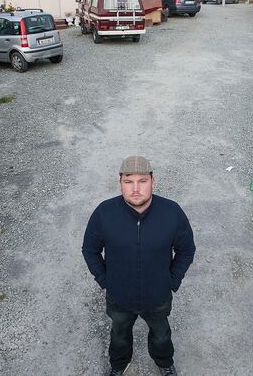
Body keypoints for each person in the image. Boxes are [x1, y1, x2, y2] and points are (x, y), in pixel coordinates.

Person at [82, 156, 196, 376]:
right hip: (119, 297)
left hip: (158, 296)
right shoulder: (104, 213)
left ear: (153, 181)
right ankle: (118, 366)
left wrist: (172, 280)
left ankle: (164, 363)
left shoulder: (172, 213)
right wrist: (106, 281)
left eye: (142, 181)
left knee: (161, 334)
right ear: (120, 183)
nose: (135, 188)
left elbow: (186, 250)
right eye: (128, 181)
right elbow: (90, 250)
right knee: (119, 334)